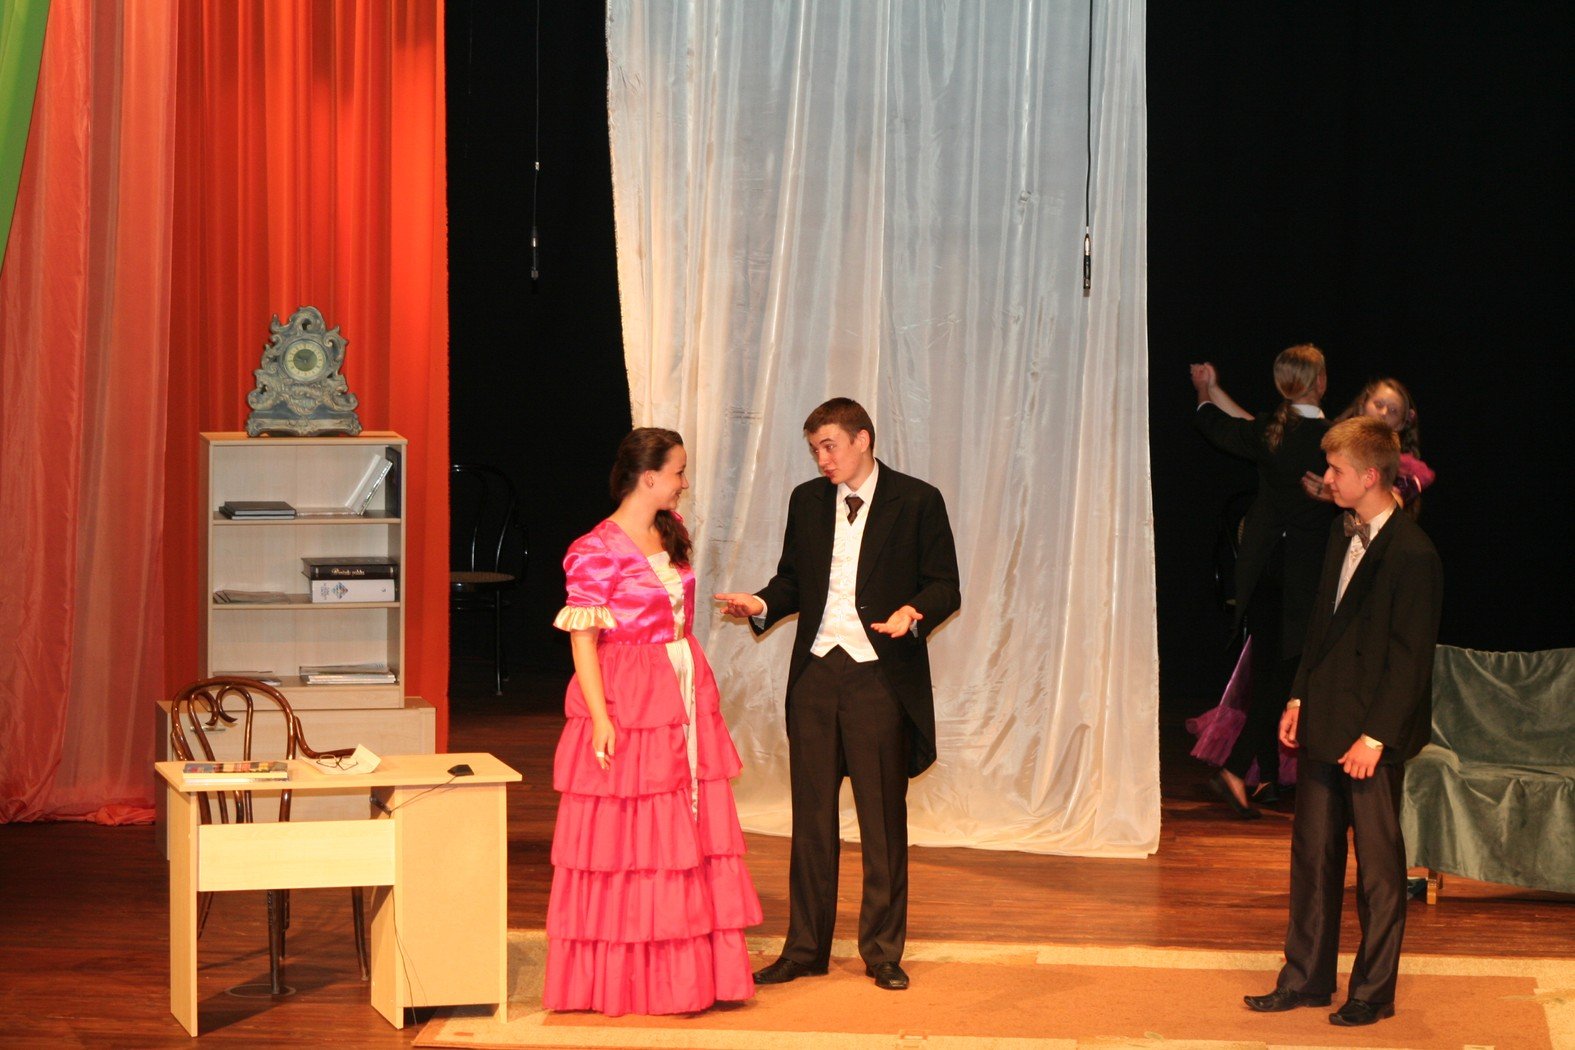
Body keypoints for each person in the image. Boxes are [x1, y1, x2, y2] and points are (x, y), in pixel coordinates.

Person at [715, 398, 960, 992]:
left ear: (862, 439)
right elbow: (793, 581)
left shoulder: (917, 500)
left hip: (879, 678)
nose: (822, 459)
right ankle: (805, 949)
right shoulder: (806, 501)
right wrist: (761, 602)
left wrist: (913, 611)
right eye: (815, 450)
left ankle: (882, 951)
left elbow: (945, 585)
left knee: (882, 820)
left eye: (829, 446)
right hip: (817, 677)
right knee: (812, 821)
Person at [543, 427, 761, 1016]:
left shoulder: (669, 530)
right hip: (630, 689)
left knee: (686, 823)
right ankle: (637, 977)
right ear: (649, 477)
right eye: (678, 471)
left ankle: (692, 972)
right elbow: (584, 642)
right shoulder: (594, 550)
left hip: (680, 679)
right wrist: (599, 716)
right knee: (636, 833)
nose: (684, 482)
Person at [1244, 415, 1442, 1027]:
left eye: (1336, 470)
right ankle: (1305, 978)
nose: (1327, 478)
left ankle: (1373, 993)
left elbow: (1410, 661)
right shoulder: (1340, 531)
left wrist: (1375, 737)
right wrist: (1298, 698)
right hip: (1326, 716)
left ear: (1370, 476)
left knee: (1378, 872)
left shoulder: (1413, 554)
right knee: (1313, 857)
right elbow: (1321, 626)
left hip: (1371, 735)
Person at [1189, 347, 1339, 816]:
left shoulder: (1275, 432)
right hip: (1302, 572)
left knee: (1273, 671)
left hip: (1264, 567)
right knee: (1285, 675)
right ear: (1320, 382)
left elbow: (1227, 426)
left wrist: (1206, 392)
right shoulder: (1330, 440)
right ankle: (1239, 770)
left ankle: (1257, 773)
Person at [1302, 377, 1435, 513]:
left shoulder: (1404, 468)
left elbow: (1389, 509)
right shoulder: (1333, 441)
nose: (1383, 413)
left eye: (1393, 411)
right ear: (1362, 406)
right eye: (1378, 404)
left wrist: (1340, 494)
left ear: (1400, 424)